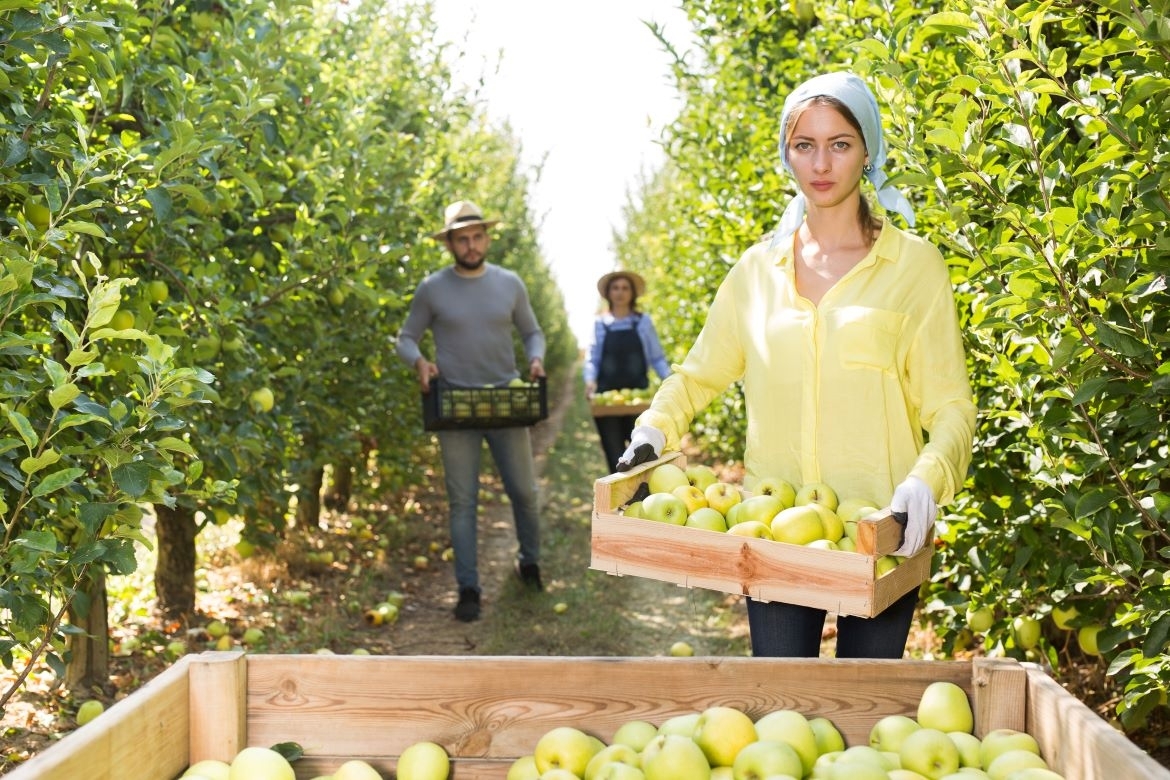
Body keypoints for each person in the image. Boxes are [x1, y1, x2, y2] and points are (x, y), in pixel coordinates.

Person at [616, 72, 976, 658]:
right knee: (783, 699)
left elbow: (952, 405)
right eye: (804, 144)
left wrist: (925, 481)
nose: (822, 163)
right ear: (787, 154)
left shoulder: (915, 268)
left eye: (840, 143)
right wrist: (654, 426)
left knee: (868, 720)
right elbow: (700, 373)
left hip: (882, 528)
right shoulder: (756, 273)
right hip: (774, 526)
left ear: (869, 150)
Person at [396, 200, 547, 622]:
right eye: (461, 238)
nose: (471, 244)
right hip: (455, 406)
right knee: (463, 501)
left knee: (524, 493)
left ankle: (529, 562)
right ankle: (468, 588)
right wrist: (420, 363)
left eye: (477, 236)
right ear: (449, 244)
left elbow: (532, 332)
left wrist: (535, 359)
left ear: (487, 237)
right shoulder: (433, 289)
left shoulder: (509, 283)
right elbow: (405, 338)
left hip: (505, 401)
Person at [583, 270, 672, 472]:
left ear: (632, 293)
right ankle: (618, 500)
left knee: (641, 452)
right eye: (615, 288)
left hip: (638, 398)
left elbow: (656, 357)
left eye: (625, 288)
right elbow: (593, 358)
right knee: (615, 456)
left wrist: (669, 381)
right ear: (608, 293)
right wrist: (590, 382)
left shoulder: (642, 322)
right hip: (607, 399)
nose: (620, 292)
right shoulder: (600, 324)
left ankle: (642, 498)